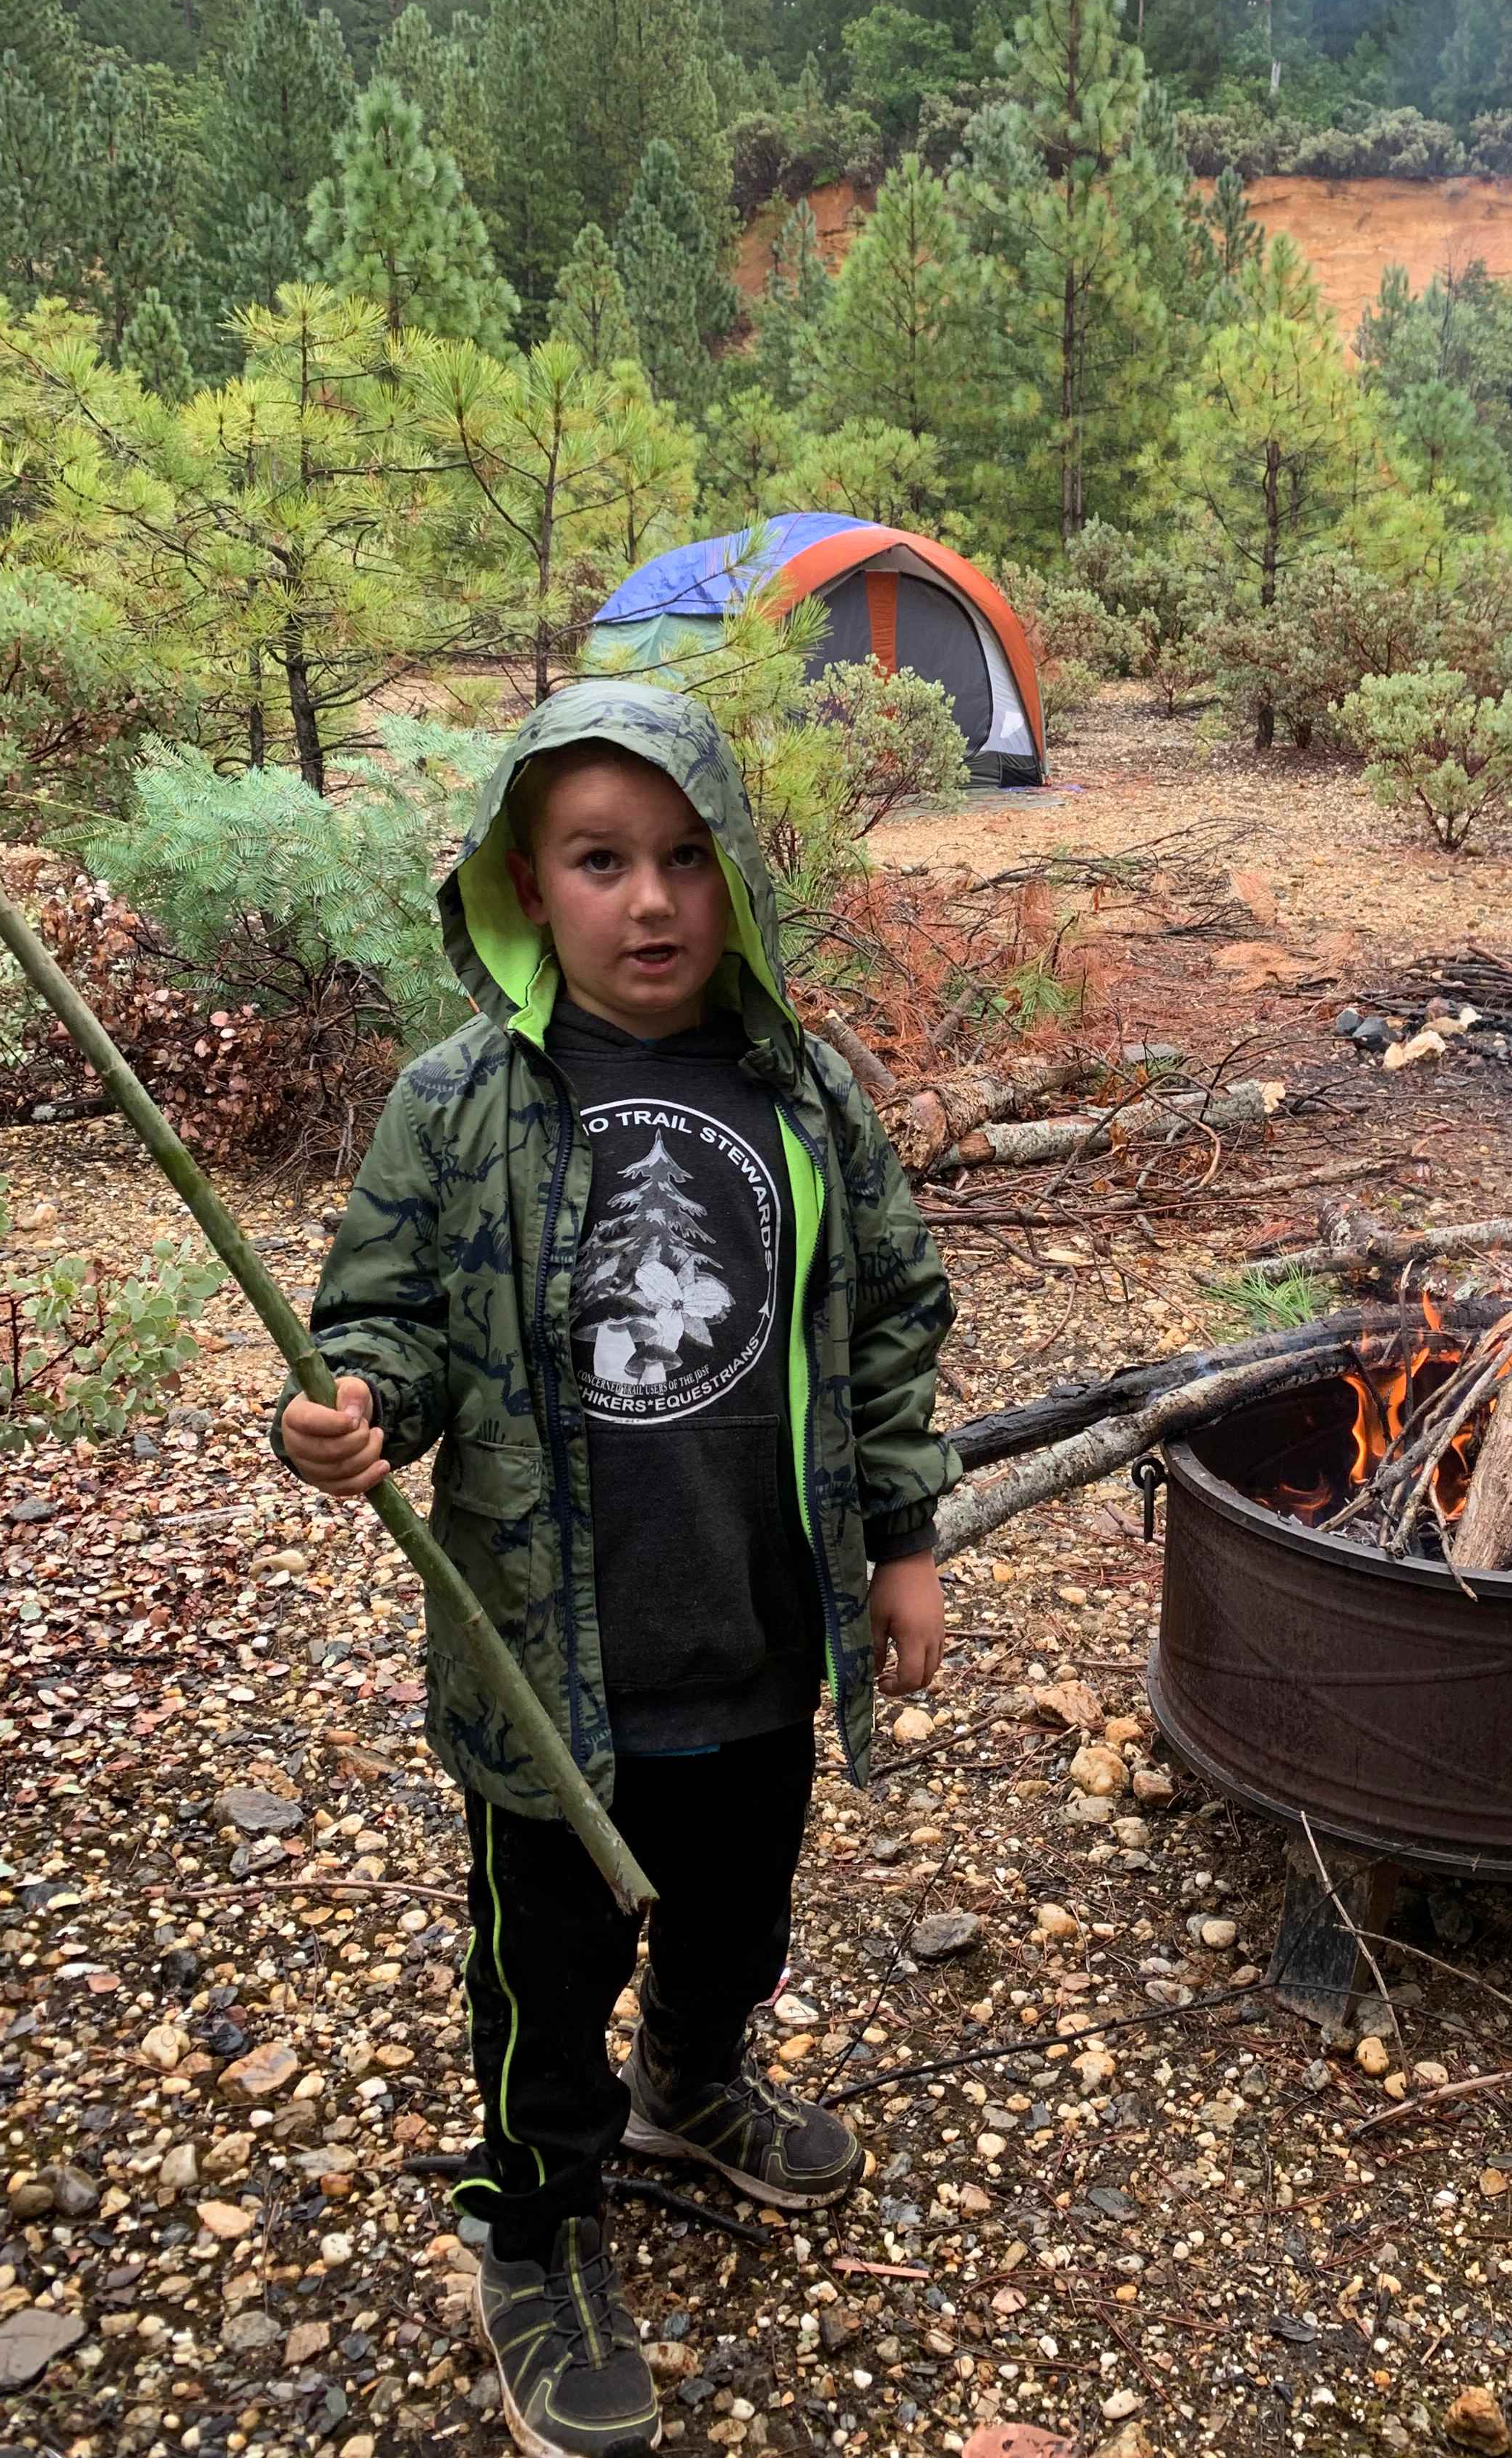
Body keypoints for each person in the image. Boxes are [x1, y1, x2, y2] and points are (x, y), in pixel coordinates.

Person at [275, 681, 957, 2458]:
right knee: (546, 1974)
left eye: (684, 859)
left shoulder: (804, 1089)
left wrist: (903, 1544)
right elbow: (388, 1321)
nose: (649, 902)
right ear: (526, 881)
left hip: (758, 1630)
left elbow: (889, 1321)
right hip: (548, 1666)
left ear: (737, 878)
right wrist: (358, 1407)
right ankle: (536, 2226)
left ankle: (693, 2078)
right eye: (599, 862)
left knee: (739, 1915)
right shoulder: (455, 1103)